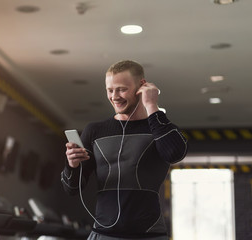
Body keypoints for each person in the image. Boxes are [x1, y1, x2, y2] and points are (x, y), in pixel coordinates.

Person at [61, 60, 188, 240]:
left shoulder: (159, 127)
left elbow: (175, 154)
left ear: (142, 86)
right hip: (102, 234)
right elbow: (72, 189)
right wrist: (72, 165)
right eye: (110, 90)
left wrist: (152, 106)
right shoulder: (94, 131)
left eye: (121, 89)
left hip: (149, 235)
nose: (114, 96)